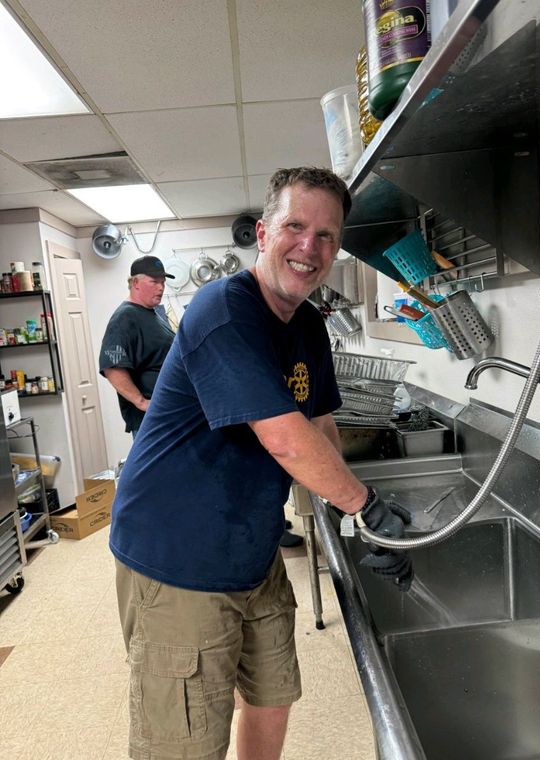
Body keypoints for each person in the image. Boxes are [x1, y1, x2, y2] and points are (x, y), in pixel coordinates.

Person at [109, 166, 412, 760]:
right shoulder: (223, 308)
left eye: (327, 234)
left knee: (273, 697)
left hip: (251, 550)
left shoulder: (307, 326)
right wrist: (366, 505)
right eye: (296, 226)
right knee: (185, 743)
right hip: (178, 558)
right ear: (263, 231)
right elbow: (285, 440)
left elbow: (319, 427)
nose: (310, 246)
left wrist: (359, 518)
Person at [99, 255, 175, 437]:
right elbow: (112, 366)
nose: (161, 287)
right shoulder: (125, 317)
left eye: (163, 282)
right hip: (151, 421)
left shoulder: (153, 313)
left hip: (168, 415)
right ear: (135, 282)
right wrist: (141, 402)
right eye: (154, 281)